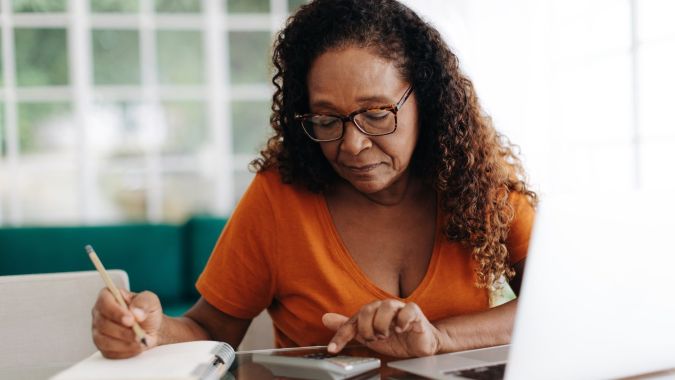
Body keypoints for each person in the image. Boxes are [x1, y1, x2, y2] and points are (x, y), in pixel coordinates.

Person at [91, 0, 536, 360]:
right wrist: (151, 329)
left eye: (377, 114)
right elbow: (209, 329)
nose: (351, 145)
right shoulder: (278, 197)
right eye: (326, 120)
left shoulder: (478, 179)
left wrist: (440, 339)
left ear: (427, 100)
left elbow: (555, 303)